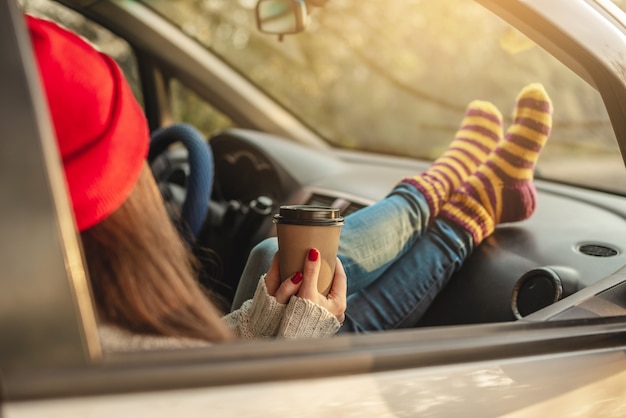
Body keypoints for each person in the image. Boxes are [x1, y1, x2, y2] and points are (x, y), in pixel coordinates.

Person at [28, 14, 552, 350]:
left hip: (239, 358)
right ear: (114, 193)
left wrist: (267, 319)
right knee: (320, 299)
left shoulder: (62, 322)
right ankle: (466, 207)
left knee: (272, 257)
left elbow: (207, 364)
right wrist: (302, 333)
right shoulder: (107, 342)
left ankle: (449, 191)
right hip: (275, 382)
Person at [233, 84, 553, 332]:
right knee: (318, 316)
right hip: (260, 372)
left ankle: (449, 190)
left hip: (217, 345)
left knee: (269, 257)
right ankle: (470, 200)